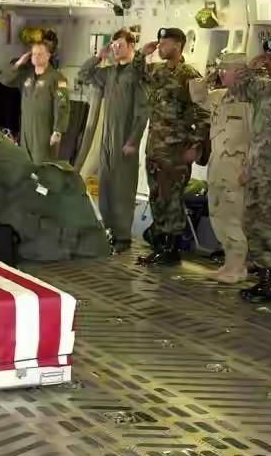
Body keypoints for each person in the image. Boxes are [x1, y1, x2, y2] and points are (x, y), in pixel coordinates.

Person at [229, 38, 271, 303]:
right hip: (257, 170)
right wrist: (250, 66)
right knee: (252, 223)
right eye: (266, 57)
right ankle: (263, 277)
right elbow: (237, 89)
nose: (268, 62)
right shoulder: (265, 88)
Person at [134, 27, 210, 266]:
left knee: (172, 200)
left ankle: (171, 248)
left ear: (178, 45)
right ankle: (160, 245)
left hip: (176, 152)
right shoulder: (157, 71)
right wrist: (141, 54)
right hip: (155, 149)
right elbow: (136, 75)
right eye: (159, 41)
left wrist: (196, 146)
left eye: (165, 42)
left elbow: (203, 113)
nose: (160, 46)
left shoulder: (189, 75)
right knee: (157, 197)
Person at [77, 28, 149, 253]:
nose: (116, 49)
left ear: (131, 46)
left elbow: (142, 111)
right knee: (105, 187)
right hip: (107, 138)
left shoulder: (136, 75)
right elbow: (84, 75)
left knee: (122, 189)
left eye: (120, 45)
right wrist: (99, 56)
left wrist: (133, 140)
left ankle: (123, 237)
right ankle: (109, 231)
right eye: (114, 46)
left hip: (125, 138)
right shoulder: (109, 73)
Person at [190, 53, 252, 283]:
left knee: (234, 217)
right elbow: (197, 96)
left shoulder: (249, 103)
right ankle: (228, 263)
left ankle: (238, 267)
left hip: (236, 167)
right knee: (217, 214)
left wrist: (249, 169)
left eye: (228, 69)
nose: (223, 73)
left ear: (240, 72)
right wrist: (209, 77)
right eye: (221, 69)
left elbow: (256, 138)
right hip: (217, 165)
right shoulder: (218, 96)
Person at [0, 33, 70, 164]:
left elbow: (62, 105)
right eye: (34, 54)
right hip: (26, 132)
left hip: (44, 133)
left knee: (42, 167)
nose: (36, 56)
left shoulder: (58, 79)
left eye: (40, 54)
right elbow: (4, 79)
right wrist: (19, 63)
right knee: (26, 166)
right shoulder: (26, 76)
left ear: (48, 55)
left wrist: (58, 130)